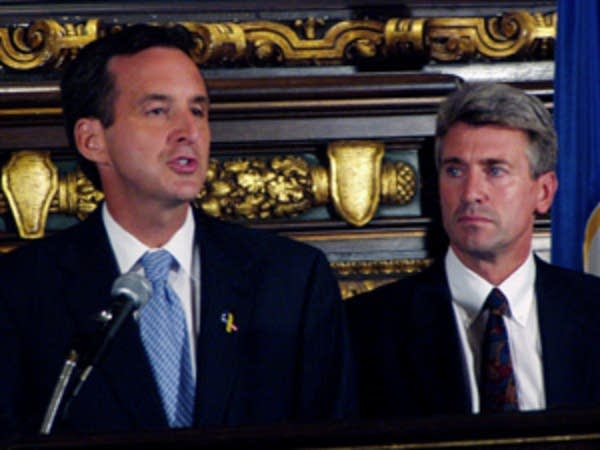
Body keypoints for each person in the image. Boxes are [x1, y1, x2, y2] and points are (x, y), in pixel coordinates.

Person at [0, 24, 356, 438]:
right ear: (92, 140)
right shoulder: (22, 291)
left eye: (198, 111)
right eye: (158, 110)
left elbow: (334, 436)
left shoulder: (292, 280)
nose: (189, 132)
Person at [346, 83, 600, 418]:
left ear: (544, 192)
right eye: (455, 171)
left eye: (495, 170)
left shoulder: (593, 312)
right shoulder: (364, 329)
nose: (471, 193)